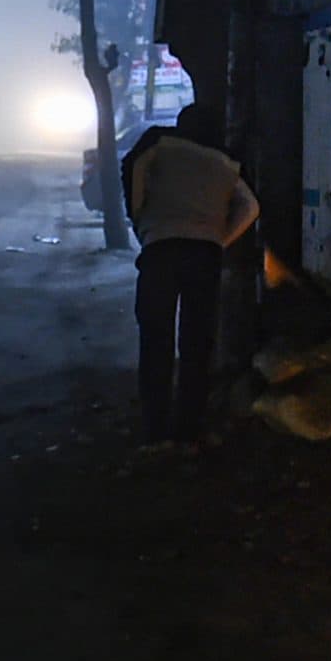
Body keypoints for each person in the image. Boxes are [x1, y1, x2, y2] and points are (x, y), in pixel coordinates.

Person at [126, 103, 258, 448]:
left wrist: (141, 219)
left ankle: (155, 430)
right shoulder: (228, 161)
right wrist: (220, 239)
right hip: (205, 255)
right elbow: (251, 207)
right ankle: (189, 429)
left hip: (161, 249)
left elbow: (134, 170)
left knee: (156, 339)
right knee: (197, 343)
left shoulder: (159, 143)